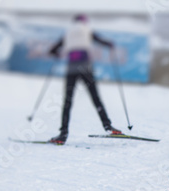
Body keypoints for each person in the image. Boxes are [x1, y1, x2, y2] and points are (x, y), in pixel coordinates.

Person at [48, 14, 122, 144]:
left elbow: (53, 50)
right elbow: (100, 41)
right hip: (85, 67)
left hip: (71, 68)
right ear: (84, 22)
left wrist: (57, 54)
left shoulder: (68, 33)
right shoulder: (87, 30)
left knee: (67, 101)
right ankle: (108, 127)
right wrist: (110, 44)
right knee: (95, 97)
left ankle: (63, 134)